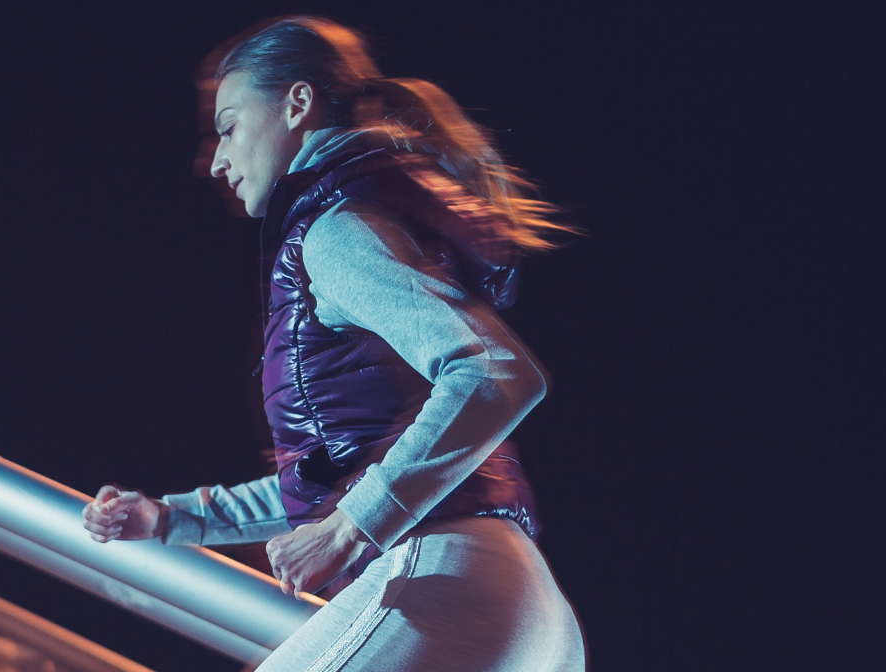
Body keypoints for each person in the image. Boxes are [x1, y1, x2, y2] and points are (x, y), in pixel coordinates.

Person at [80, 17, 586, 671]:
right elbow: (338, 470)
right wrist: (173, 520)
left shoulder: (337, 232)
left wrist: (351, 530)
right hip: (519, 611)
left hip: (439, 589)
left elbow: (496, 373)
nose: (217, 158)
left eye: (229, 125)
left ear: (297, 102)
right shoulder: (363, 220)